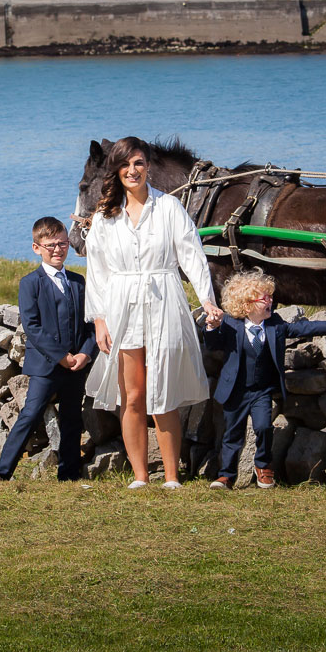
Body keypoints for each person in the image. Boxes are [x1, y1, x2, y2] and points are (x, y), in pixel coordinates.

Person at [84, 136, 223, 490]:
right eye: (126, 164)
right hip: (121, 306)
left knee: (163, 393)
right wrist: (99, 318)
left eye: (139, 163)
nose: (133, 170)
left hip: (164, 305)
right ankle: (140, 476)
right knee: (132, 395)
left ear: (148, 167)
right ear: (116, 170)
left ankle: (172, 477)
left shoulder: (169, 208)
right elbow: (97, 271)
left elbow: (191, 254)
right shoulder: (104, 217)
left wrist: (207, 299)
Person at [202, 269, 326, 490]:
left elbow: (300, 328)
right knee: (232, 433)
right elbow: (213, 345)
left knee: (263, 427)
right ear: (247, 304)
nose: (271, 301)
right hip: (236, 390)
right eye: (265, 298)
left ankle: (263, 467)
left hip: (261, 390)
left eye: (271, 296)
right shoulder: (232, 325)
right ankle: (226, 475)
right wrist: (212, 327)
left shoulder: (275, 324)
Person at [0, 217, 96, 482]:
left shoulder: (78, 282)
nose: (58, 250)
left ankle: (69, 474)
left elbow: (91, 323)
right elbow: (33, 326)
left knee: (72, 419)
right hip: (47, 365)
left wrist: (84, 353)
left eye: (62, 244)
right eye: (50, 246)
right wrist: (61, 357)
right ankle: (1, 474)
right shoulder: (30, 283)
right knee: (30, 414)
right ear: (37, 248)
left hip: (77, 365)